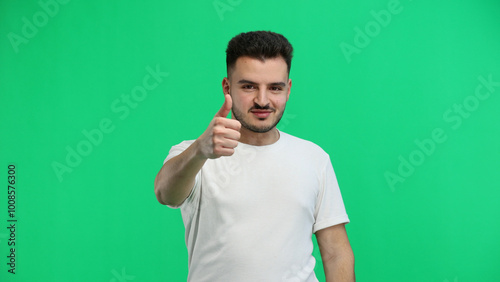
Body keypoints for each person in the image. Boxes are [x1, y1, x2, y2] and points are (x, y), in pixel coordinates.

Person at [154, 31, 355, 282]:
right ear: (227, 87)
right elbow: (165, 193)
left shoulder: (314, 158)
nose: (262, 100)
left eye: (274, 88)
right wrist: (199, 151)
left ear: (288, 89)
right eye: (249, 86)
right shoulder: (194, 154)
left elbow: (336, 253)